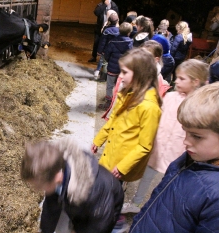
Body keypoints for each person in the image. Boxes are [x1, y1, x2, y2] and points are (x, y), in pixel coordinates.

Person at [129, 82, 219, 233]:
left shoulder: (214, 195)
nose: (185, 141)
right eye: (186, 132)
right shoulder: (190, 159)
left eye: (196, 136)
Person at [122, 59, 209, 214]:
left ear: (196, 81)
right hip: (158, 146)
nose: (177, 81)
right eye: (177, 77)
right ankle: (136, 203)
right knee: (147, 176)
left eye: (182, 78)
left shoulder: (200, 105)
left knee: (169, 183)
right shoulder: (170, 97)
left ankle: (158, 209)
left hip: (178, 151)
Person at [91, 48, 162, 231]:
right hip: (110, 153)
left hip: (120, 163)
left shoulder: (149, 107)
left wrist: (122, 167)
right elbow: (113, 120)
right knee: (104, 191)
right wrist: (99, 140)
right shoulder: (126, 94)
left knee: (110, 195)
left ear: (139, 75)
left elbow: (145, 146)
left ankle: (116, 224)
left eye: (124, 72)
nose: (120, 76)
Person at [21, 138, 124, 233]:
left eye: (40, 187)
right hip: (85, 204)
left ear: (58, 177)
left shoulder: (94, 192)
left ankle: (119, 226)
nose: (39, 190)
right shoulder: (54, 168)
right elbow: (51, 208)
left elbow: (99, 226)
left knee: (87, 225)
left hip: (106, 206)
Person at [98, 22, 133, 110]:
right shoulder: (131, 43)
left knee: (109, 85)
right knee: (122, 85)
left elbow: (106, 54)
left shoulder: (112, 42)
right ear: (129, 32)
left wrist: (109, 60)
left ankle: (108, 101)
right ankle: (118, 102)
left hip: (112, 68)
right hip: (124, 69)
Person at [94, 12, 119, 80]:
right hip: (114, 51)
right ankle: (109, 76)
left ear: (109, 21)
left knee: (103, 62)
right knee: (110, 63)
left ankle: (101, 75)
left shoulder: (107, 30)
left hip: (105, 50)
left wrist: (99, 51)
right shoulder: (118, 30)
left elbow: (102, 42)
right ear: (117, 21)